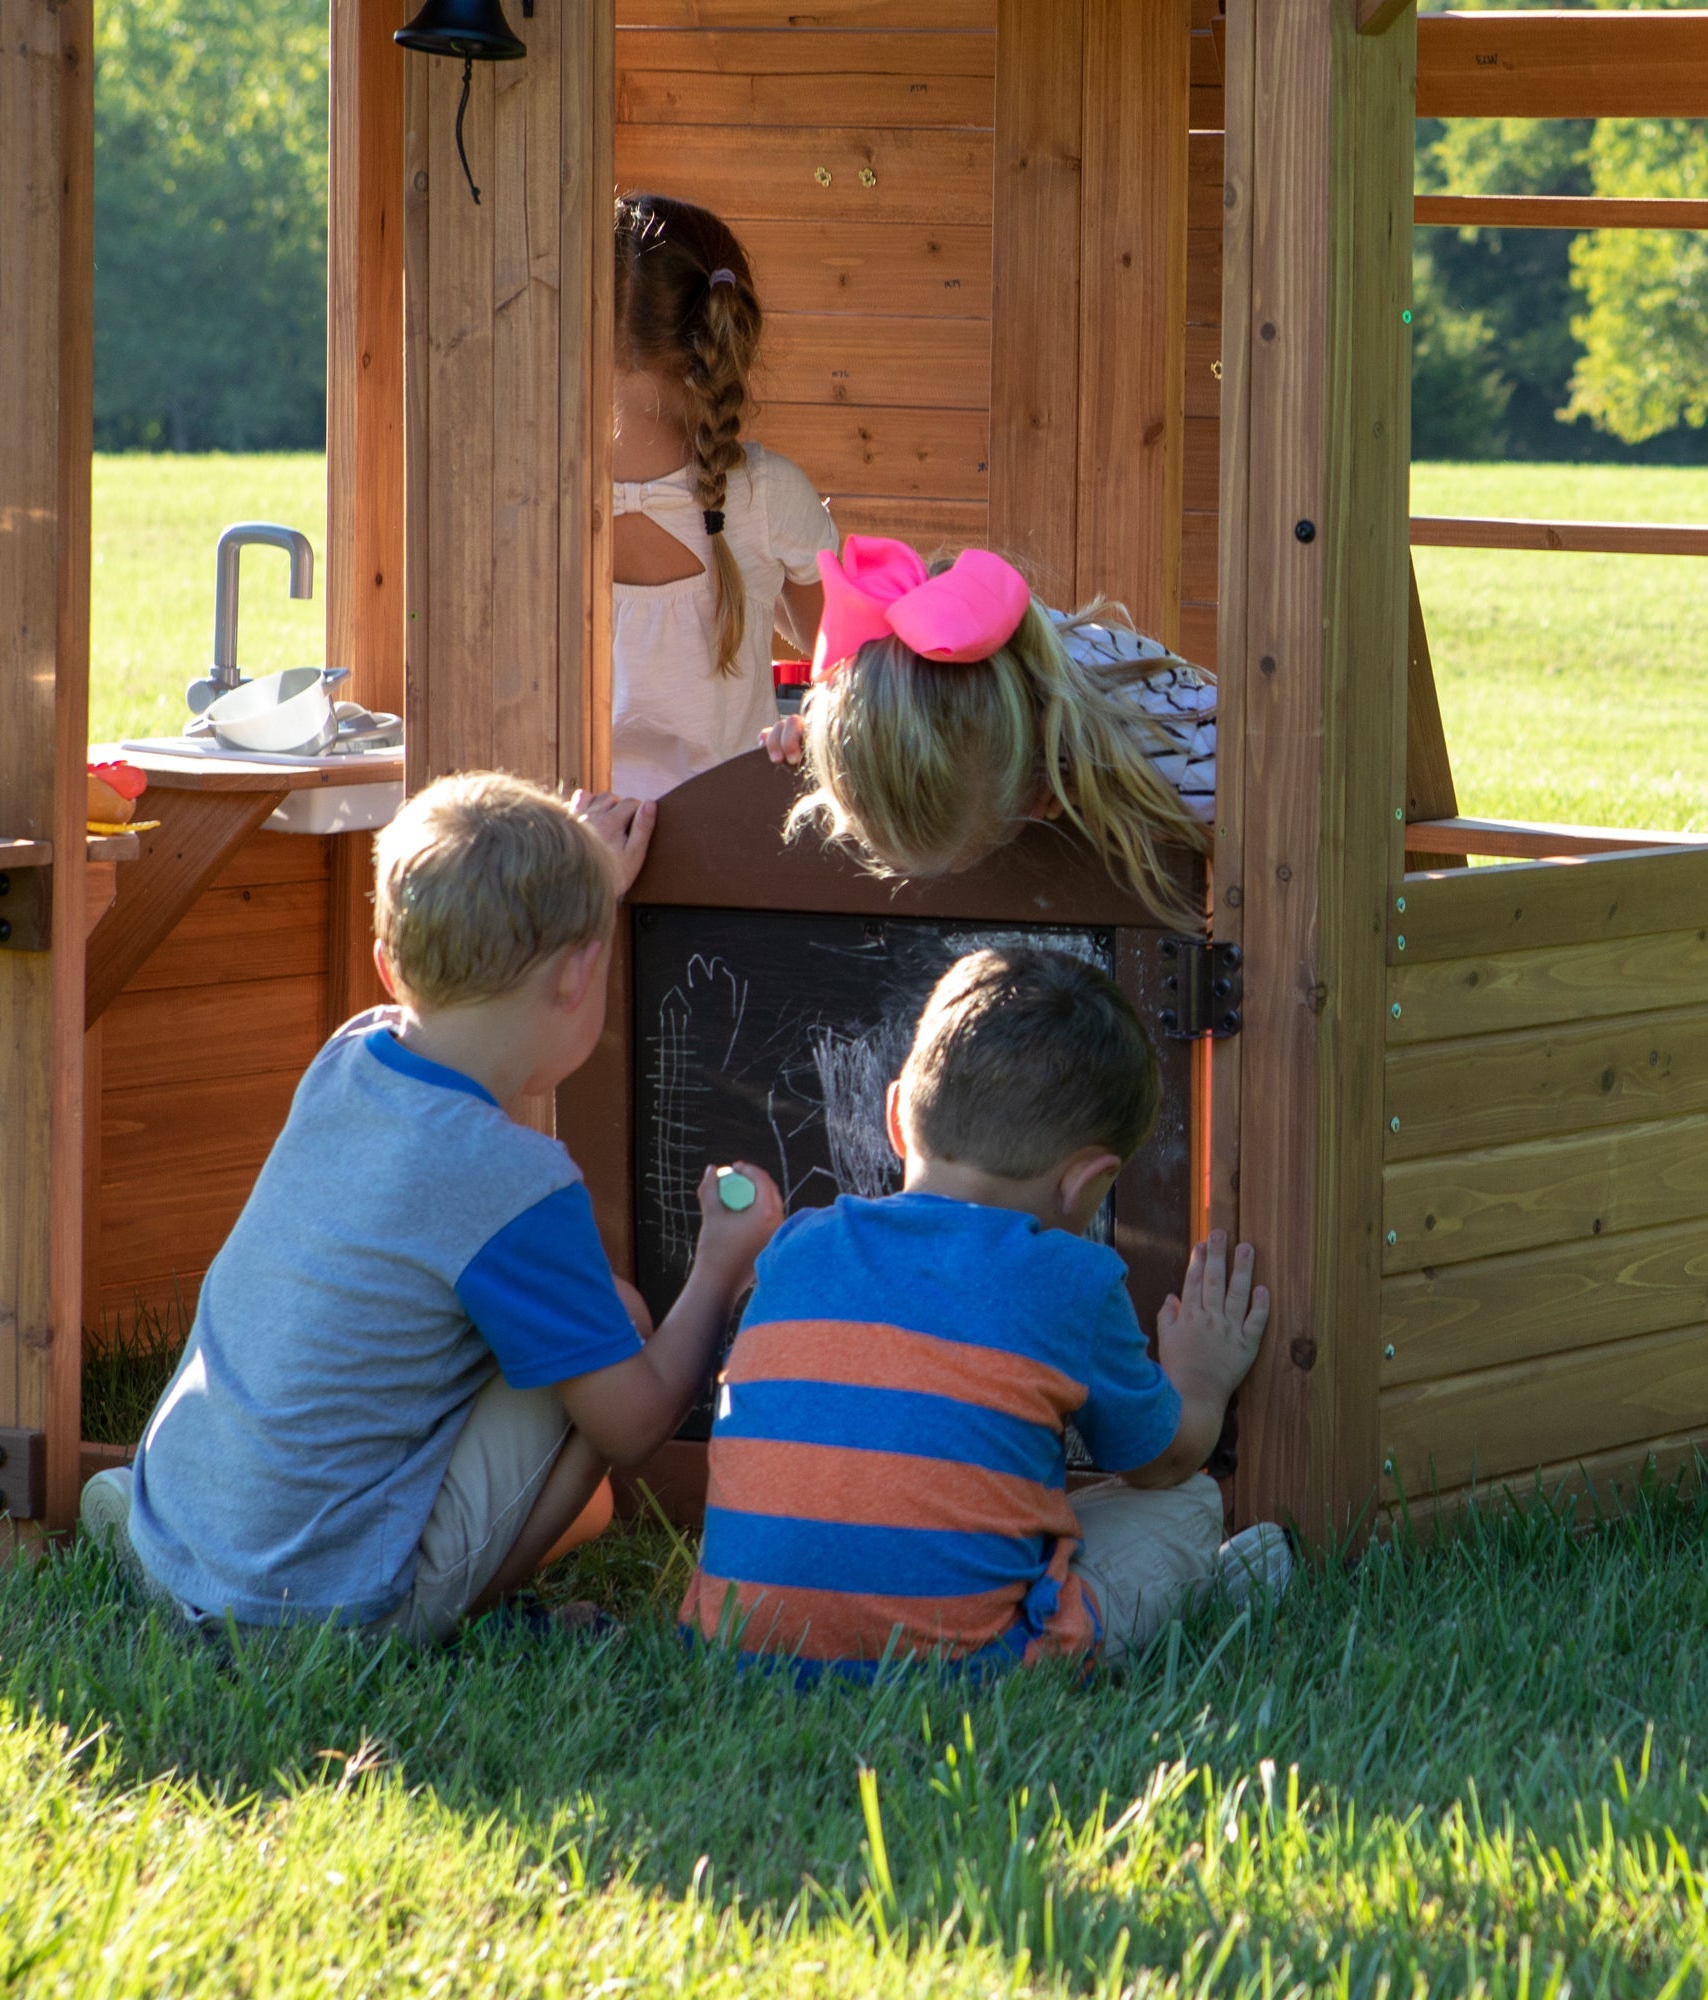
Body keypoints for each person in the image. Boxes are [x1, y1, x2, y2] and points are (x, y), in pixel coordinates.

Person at [82, 772, 784, 1639]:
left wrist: (580, 885)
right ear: (577, 976)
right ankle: (447, 1619)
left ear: (388, 964)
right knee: (625, 1326)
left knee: (578, 1332)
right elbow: (635, 1421)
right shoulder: (517, 1181)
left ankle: (168, 1544)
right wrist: (720, 1264)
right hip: (312, 1612)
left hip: (181, 1530)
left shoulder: (349, 1058)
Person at [681, 946, 1286, 1674]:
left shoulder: (795, 1244)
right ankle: (1219, 1588)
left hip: (735, 1645)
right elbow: (1164, 1462)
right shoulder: (1072, 1278)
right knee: (1186, 1508)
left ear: (898, 1117)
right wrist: (1204, 1379)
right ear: (1088, 1182)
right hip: (973, 1667)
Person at [761, 535, 1216, 932]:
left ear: (1039, 793)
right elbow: (910, 716)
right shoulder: (946, 663)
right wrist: (827, 744)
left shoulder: (1184, 761)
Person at [612, 192, 839, 801]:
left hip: (568, 853)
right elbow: (845, 670)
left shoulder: (537, 497)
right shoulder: (767, 495)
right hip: (719, 864)